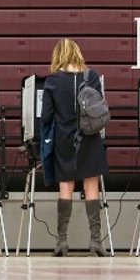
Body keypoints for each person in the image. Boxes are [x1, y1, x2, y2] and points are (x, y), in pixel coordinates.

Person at [41, 38, 109, 257]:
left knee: (66, 187)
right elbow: (99, 109)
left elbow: (46, 116)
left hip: (64, 139)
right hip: (90, 137)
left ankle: (61, 241)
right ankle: (96, 241)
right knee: (91, 187)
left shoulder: (52, 80)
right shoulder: (92, 76)